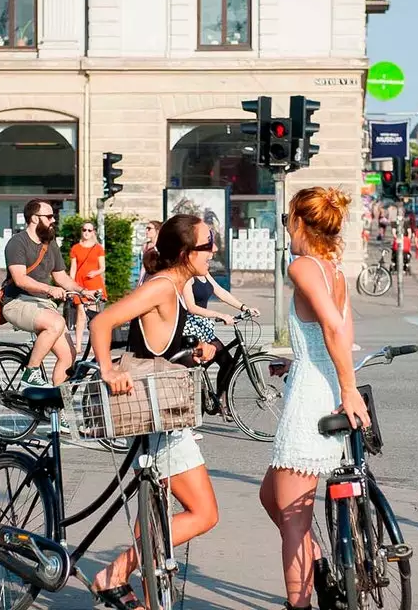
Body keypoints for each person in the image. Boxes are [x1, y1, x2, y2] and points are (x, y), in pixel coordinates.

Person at [88, 214, 221, 610]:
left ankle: (131, 587)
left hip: (167, 411)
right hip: (156, 416)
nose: (213, 251)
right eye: (206, 245)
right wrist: (108, 371)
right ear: (184, 254)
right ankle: (115, 573)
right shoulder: (163, 287)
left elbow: (161, 347)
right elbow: (102, 321)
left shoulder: (178, 288)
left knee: (161, 510)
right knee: (203, 513)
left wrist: (200, 352)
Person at [259, 187, 370, 610]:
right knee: (272, 497)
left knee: (291, 519)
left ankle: (302, 602)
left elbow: (333, 329)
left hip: (313, 397)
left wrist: (347, 388)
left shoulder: (303, 266)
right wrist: (307, 365)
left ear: (300, 223)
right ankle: (322, 569)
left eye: (289, 218)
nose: (287, 225)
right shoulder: (333, 269)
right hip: (318, 381)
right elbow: (342, 332)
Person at [0, 200, 93, 387]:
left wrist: (83, 291)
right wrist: (49, 289)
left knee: (69, 357)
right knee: (56, 323)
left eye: (53, 217)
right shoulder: (17, 243)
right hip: (16, 301)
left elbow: (61, 277)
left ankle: (55, 410)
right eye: (49, 217)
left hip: (43, 305)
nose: (53, 221)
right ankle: (30, 372)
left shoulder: (50, 243)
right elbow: (20, 279)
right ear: (34, 218)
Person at [181, 267, 259, 418]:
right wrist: (220, 315)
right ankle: (192, 417)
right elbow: (191, 307)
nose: (210, 257)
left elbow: (220, 292)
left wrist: (244, 307)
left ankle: (220, 400)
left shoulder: (204, 272)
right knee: (195, 371)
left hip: (203, 327)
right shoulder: (187, 275)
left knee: (228, 362)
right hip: (190, 328)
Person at [68, 221, 107, 356]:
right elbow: (73, 268)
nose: (86, 232)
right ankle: (78, 345)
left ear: (94, 232)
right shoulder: (75, 248)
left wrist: (95, 273)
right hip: (80, 284)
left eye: (90, 230)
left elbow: (102, 267)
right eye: (84, 230)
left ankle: (92, 344)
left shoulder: (98, 248)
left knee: (93, 317)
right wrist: (71, 285)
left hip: (94, 284)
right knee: (80, 315)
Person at [136, 220, 161, 287]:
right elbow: (143, 267)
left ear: (157, 231)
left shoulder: (161, 246)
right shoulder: (145, 246)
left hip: (158, 276)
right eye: (146, 228)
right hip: (147, 276)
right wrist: (139, 282)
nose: (146, 231)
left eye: (149, 229)